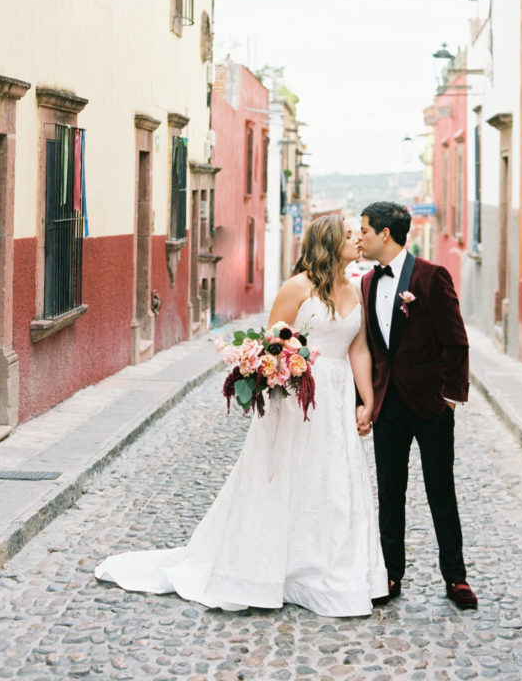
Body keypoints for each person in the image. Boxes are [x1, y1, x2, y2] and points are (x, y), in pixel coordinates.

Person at [95, 215, 388, 616]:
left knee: (333, 480)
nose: (358, 241)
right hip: (298, 398)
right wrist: (284, 373)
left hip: (336, 398)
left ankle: (326, 570)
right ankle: (273, 568)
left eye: (359, 235)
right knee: (286, 475)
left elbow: (359, 349)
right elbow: (273, 343)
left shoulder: (354, 290)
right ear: (329, 242)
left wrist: (366, 401)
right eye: (351, 235)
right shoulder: (297, 288)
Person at [356, 201, 478, 610]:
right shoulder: (367, 283)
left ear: (385, 234)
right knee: (390, 492)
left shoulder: (430, 277)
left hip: (431, 407)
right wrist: (366, 401)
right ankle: (391, 573)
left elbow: (455, 340)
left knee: (440, 491)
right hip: (388, 405)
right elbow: (371, 349)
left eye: (365, 231)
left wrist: (450, 398)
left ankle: (456, 578)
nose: (361, 238)